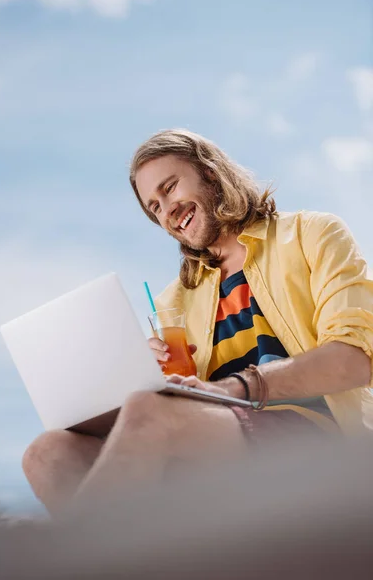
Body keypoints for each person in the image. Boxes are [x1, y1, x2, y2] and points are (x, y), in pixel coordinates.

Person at [22, 129, 373, 516]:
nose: (167, 210)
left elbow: (353, 360)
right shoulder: (175, 300)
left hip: (320, 436)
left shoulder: (312, 234)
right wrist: (146, 379)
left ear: (210, 172)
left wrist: (227, 391)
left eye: (170, 188)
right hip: (215, 445)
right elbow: (182, 404)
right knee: (46, 453)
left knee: (149, 412)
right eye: (154, 207)